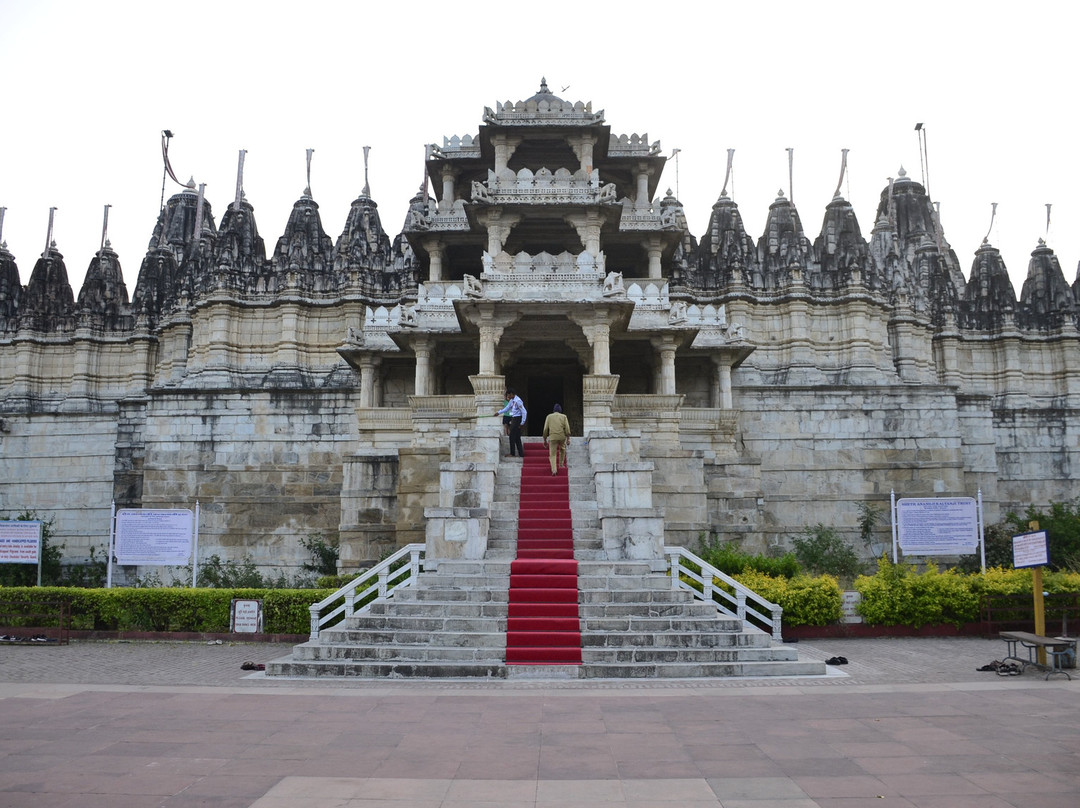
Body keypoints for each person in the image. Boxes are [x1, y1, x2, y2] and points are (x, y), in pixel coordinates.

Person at [494, 388, 526, 457]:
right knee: (517, 437)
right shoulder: (512, 401)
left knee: (511, 436)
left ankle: (512, 453)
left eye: (508, 395)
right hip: (514, 418)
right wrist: (499, 412)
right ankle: (521, 453)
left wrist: (522, 422)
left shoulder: (518, 401)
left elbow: (524, 412)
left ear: (511, 394)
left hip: (517, 419)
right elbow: (507, 408)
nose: (508, 396)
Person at [542, 403, 571, 475]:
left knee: (552, 454)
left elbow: (545, 429)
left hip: (553, 437)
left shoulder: (549, 417)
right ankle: (561, 464)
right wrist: (568, 438)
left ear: (553, 410)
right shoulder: (564, 416)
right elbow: (567, 428)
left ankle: (554, 470)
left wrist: (545, 439)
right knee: (562, 449)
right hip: (562, 436)